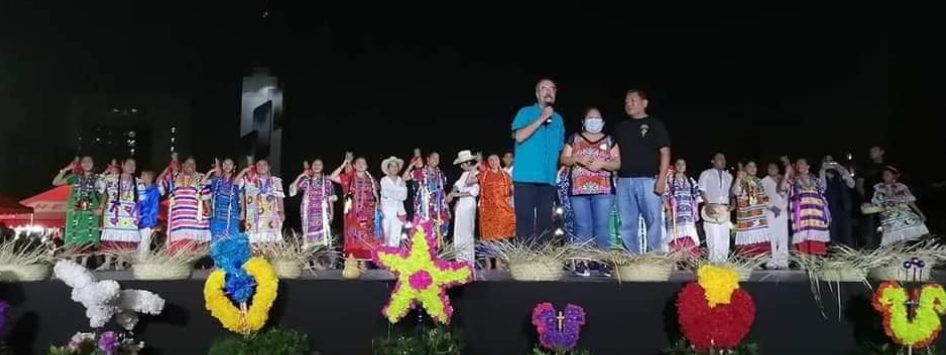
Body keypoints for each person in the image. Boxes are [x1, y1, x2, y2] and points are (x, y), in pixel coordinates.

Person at [613, 89, 671, 253]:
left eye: (632, 100)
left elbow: (665, 152)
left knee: (653, 221)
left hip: (648, 181)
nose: (628, 104)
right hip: (624, 181)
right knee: (627, 224)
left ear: (644, 103)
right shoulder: (621, 127)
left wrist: (661, 179)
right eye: (626, 102)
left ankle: (653, 259)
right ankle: (631, 260)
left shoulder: (655, 124)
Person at [560, 108, 620, 254]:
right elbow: (563, 159)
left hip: (604, 191)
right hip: (578, 191)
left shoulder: (610, 140)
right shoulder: (574, 138)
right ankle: (582, 261)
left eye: (597, 118)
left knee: (601, 226)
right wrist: (577, 159)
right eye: (590, 118)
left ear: (603, 122)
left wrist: (603, 164)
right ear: (583, 122)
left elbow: (617, 163)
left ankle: (604, 261)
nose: (593, 121)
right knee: (582, 226)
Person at [511, 78, 565, 240]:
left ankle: (543, 262)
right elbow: (519, 136)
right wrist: (542, 118)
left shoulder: (559, 119)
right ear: (537, 94)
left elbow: (560, 147)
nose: (548, 91)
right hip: (525, 178)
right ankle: (524, 262)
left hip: (548, 179)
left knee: (546, 224)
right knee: (525, 222)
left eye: (552, 88)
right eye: (544, 88)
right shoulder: (525, 112)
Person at [331, 153, 380, 262]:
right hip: (352, 214)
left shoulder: (372, 180)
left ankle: (365, 264)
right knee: (353, 239)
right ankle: (352, 263)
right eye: (358, 163)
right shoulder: (349, 178)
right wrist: (344, 163)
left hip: (368, 216)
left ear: (367, 166)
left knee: (367, 240)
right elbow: (332, 177)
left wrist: (378, 209)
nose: (361, 165)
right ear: (354, 165)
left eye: (363, 163)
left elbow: (376, 195)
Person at [96, 158, 143, 268]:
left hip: (129, 215)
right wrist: (105, 172)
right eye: (129, 164)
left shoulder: (138, 182)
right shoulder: (111, 179)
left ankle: (120, 262)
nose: (131, 167)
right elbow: (98, 187)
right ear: (122, 165)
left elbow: (142, 198)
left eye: (134, 165)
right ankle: (107, 262)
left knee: (126, 238)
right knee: (111, 236)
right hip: (114, 213)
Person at [158, 156, 211, 252]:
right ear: (182, 165)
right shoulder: (174, 177)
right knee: (177, 250)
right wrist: (168, 168)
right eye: (188, 163)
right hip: (178, 222)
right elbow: (159, 184)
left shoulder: (200, 178)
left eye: (193, 163)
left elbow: (206, 197)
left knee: (194, 251)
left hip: (195, 223)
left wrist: (209, 212)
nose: (191, 166)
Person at [52, 156, 102, 249]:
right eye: (84, 161)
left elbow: (104, 193)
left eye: (89, 161)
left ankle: (85, 261)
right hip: (77, 212)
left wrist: (101, 207)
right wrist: (67, 168)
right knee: (74, 241)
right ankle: (72, 261)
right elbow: (55, 182)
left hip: (91, 212)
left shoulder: (98, 178)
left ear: (93, 163)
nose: (87, 163)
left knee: (89, 242)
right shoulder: (75, 177)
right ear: (80, 164)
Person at [783, 158, 831, 255]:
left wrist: (827, 214)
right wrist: (787, 173)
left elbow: (823, 197)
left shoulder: (817, 181)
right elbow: (782, 188)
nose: (799, 165)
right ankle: (804, 264)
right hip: (802, 217)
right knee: (803, 241)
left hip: (816, 217)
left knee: (816, 242)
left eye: (801, 163)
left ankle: (814, 265)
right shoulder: (794, 181)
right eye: (797, 164)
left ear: (808, 166)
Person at [872, 166, 929, 245]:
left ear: (894, 176)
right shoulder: (879, 188)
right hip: (888, 215)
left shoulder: (901, 187)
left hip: (903, 212)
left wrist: (920, 213)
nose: (885, 177)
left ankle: (905, 247)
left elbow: (910, 201)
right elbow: (875, 202)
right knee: (892, 234)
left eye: (887, 175)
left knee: (912, 221)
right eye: (884, 175)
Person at [403, 151, 451, 240]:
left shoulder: (441, 174)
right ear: (428, 160)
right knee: (423, 236)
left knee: (439, 236)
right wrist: (411, 165)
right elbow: (404, 178)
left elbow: (443, 192)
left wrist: (447, 209)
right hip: (423, 210)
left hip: (438, 210)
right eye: (434, 157)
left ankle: (438, 253)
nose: (436, 160)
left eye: (438, 158)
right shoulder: (420, 173)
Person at [289, 159, 337, 246]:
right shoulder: (306, 180)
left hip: (322, 213)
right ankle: (310, 255)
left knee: (323, 239)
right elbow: (292, 191)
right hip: (308, 213)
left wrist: (332, 213)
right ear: (311, 166)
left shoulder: (327, 181)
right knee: (308, 237)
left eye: (319, 164)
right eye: (315, 164)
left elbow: (330, 198)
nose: (317, 166)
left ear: (322, 167)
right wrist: (301, 175)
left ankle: (322, 255)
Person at [699, 153, 734, 262]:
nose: (722, 161)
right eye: (719, 159)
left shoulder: (729, 176)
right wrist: (708, 205)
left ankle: (723, 263)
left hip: (725, 209)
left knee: (724, 237)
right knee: (713, 237)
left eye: (724, 159)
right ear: (713, 161)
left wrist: (733, 203)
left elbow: (731, 193)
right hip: (711, 207)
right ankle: (713, 263)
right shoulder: (706, 174)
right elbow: (702, 191)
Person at [731, 161, 771, 256]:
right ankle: (749, 260)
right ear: (745, 168)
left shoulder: (759, 181)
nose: (753, 168)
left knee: (760, 242)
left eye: (754, 166)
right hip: (747, 217)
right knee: (748, 242)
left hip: (760, 217)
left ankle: (759, 260)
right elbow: (734, 192)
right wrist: (738, 178)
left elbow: (765, 198)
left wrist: (772, 207)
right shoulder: (742, 181)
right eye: (750, 166)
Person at [448, 150, 480, 265]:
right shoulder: (464, 174)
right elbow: (457, 185)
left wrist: (457, 195)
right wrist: (452, 193)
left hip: (469, 203)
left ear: (468, 163)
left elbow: (474, 191)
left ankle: (468, 261)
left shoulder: (476, 173)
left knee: (467, 232)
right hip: (461, 204)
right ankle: (460, 261)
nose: (461, 166)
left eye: (463, 164)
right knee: (459, 232)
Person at [242, 159, 285, 243]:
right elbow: (236, 184)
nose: (262, 167)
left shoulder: (275, 181)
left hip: (271, 216)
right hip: (254, 218)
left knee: (271, 242)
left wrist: (282, 211)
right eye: (259, 165)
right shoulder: (249, 181)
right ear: (255, 168)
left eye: (264, 164)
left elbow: (279, 197)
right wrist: (246, 169)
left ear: (269, 167)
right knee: (254, 243)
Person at [474, 154, 515, 241]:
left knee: (504, 235)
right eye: (491, 160)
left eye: (496, 159)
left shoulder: (506, 175)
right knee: (490, 237)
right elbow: (468, 181)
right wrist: (476, 165)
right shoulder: (484, 174)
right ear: (488, 162)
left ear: (499, 161)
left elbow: (513, 190)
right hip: (488, 210)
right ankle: (490, 254)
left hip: (503, 209)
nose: (494, 162)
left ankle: (503, 254)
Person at [664, 158, 701, 255]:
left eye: (683, 164)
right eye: (678, 164)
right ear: (675, 166)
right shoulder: (670, 179)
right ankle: (675, 261)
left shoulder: (690, 180)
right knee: (674, 236)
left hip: (688, 214)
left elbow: (696, 197)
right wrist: (668, 210)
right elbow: (665, 195)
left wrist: (696, 212)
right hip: (675, 213)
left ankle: (689, 260)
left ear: (685, 167)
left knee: (689, 236)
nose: (681, 166)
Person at [204, 158, 245, 240]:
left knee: (232, 238)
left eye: (230, 164)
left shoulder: (238, 181)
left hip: (232, 215)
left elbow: (241, 195)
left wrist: (243, 211)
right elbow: (203, 182)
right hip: (218, 215)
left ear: (234, 167)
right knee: (217, 238)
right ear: (222, 166)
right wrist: (212, 171)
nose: (227, 166)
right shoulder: (216, 180)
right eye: (225, 164)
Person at [820, 155, 856, 247]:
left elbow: (852, 184)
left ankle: (849, 256)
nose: (830, 164)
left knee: (847, 237)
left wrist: (841, 169)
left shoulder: (840, 176)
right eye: (826, 161)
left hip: (843, 209)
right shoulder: (821, 176)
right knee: (833, 237)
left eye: (831, 161)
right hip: (829, 211)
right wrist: (823, 170)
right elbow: (822, 187)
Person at [856, 146, 888, 248]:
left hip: (887, 201)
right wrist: (866, 198)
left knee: (887, 225)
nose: (872, 153)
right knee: (870, 226)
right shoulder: (865, 167)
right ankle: (871, 249)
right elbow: (859, 184)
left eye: (875, 150)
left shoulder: (887, 167)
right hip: (871, 201)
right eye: (870, 151)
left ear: (882, 152)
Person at [762, 162, 789, 269]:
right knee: (771, 237)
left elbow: (786, 194)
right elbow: (762, 197)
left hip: (783, 212)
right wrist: (771, 207)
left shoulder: (783, 180)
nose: (772, 169)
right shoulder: (764, 181)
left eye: (774, 167)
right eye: (770, 167)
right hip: (770, 212)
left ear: (778, 169)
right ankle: (772, 261)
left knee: (783, 237)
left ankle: (783, 261)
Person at [379, 156, 408, 247]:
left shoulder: (401, 180)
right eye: (392, 166)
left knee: (395, 240)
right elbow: (389, 193)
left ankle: (393, 259)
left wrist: (398, 192)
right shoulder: (384, 180)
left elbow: (403, 197)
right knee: (385, 239)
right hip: (386, 213)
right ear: (388, 169)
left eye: (396, 166)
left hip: (399, 213)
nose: (394, 168)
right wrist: (400, 190)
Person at [136, 170, 161, 259]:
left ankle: (143, 260)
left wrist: (152, 221)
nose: (141, 176)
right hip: (138, 218)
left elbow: (155, 206)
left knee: (145, 241)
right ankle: (137, 259)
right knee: (138, 240)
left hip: (147, 219)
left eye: (143, 175)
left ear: (149, 177)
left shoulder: (154, 190)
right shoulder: (141, 188)